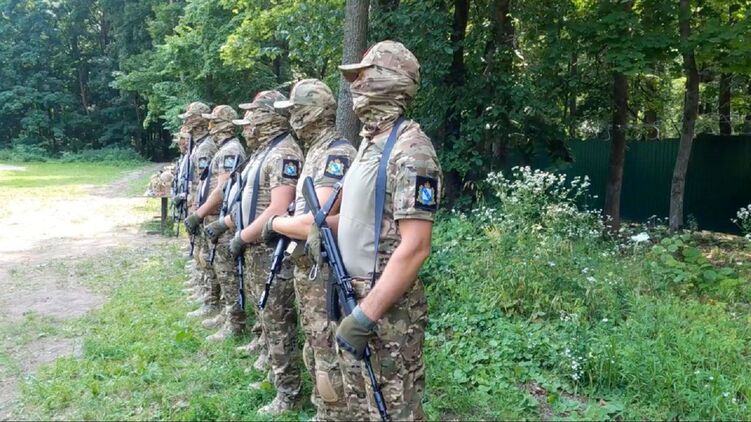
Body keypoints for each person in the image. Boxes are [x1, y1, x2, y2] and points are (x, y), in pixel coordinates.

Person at [333, 40, 442, 421]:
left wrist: (366, 315)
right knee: (360, 405)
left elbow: (416, 246)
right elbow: (361, 217)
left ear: (387, 81)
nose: (355, 87)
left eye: (362, 77)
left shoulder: (412, 151)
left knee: (394, 410)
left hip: (386, 311)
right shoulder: (369, 144)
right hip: (352, 293)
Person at [266, 79, 367, 420]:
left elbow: (316, 220)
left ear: (310, 113)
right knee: (315, 346)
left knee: (328, 352)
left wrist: (275, 223)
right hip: (310, 270)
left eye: (295, 111)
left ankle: (336, 414)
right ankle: (325, 410)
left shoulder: (336, 153)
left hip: (326, 273)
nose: (292, 119)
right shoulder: (316, 151)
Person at [227, 91, 305, 416]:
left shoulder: (284, 152)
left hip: (272, 250)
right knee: (267, 317)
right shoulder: (266, 151)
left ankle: (289, 394)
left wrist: (242, 236)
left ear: (270, 116)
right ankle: (273, 372)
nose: (250, 122)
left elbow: (278, 208)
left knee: (278, 321)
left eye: (255, 114)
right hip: (256, 249)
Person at [185, 105, 247, 341]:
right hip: (213, 215)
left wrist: (200, 213)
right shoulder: (223, 149)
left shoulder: (231, 150)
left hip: (221, 217)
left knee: (227, 272)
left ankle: (234, 322)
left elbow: (222, 189)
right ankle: (225, 313)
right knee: (218, 267)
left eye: (214, 122)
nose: (211, 127)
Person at [178, 102, 221, 319]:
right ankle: (204, 290)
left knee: (208, 255)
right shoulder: (198, 145)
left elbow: (208, 183)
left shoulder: (206, 147)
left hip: (207, 209)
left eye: (189, 117)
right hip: (199, 205)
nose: (186, 122)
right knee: (202, 252)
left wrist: (200, 209)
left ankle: (211, 300)